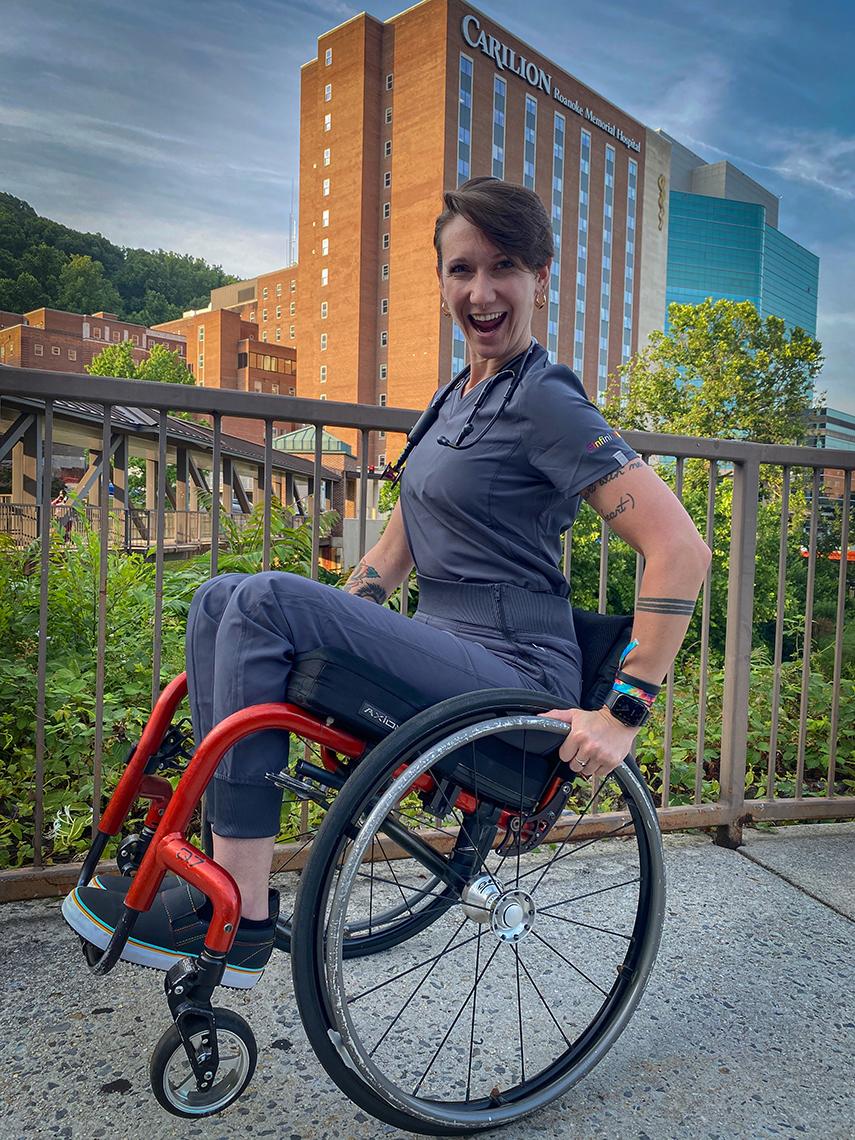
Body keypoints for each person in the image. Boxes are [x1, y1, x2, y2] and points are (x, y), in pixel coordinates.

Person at [63, 178, 711, 987]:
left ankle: (238, 907)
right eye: (460, 269)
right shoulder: (448, 402)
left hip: (514, 672)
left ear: (540, 277)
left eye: (503, 265)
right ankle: (204, 862)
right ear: (441, 281)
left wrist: (624, 710)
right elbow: (387, 563)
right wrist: (289, 628)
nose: (480, 291)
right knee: (220, 598)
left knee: (260, 599)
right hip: (442, 647)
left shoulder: (545, 398)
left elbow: (678, 547)